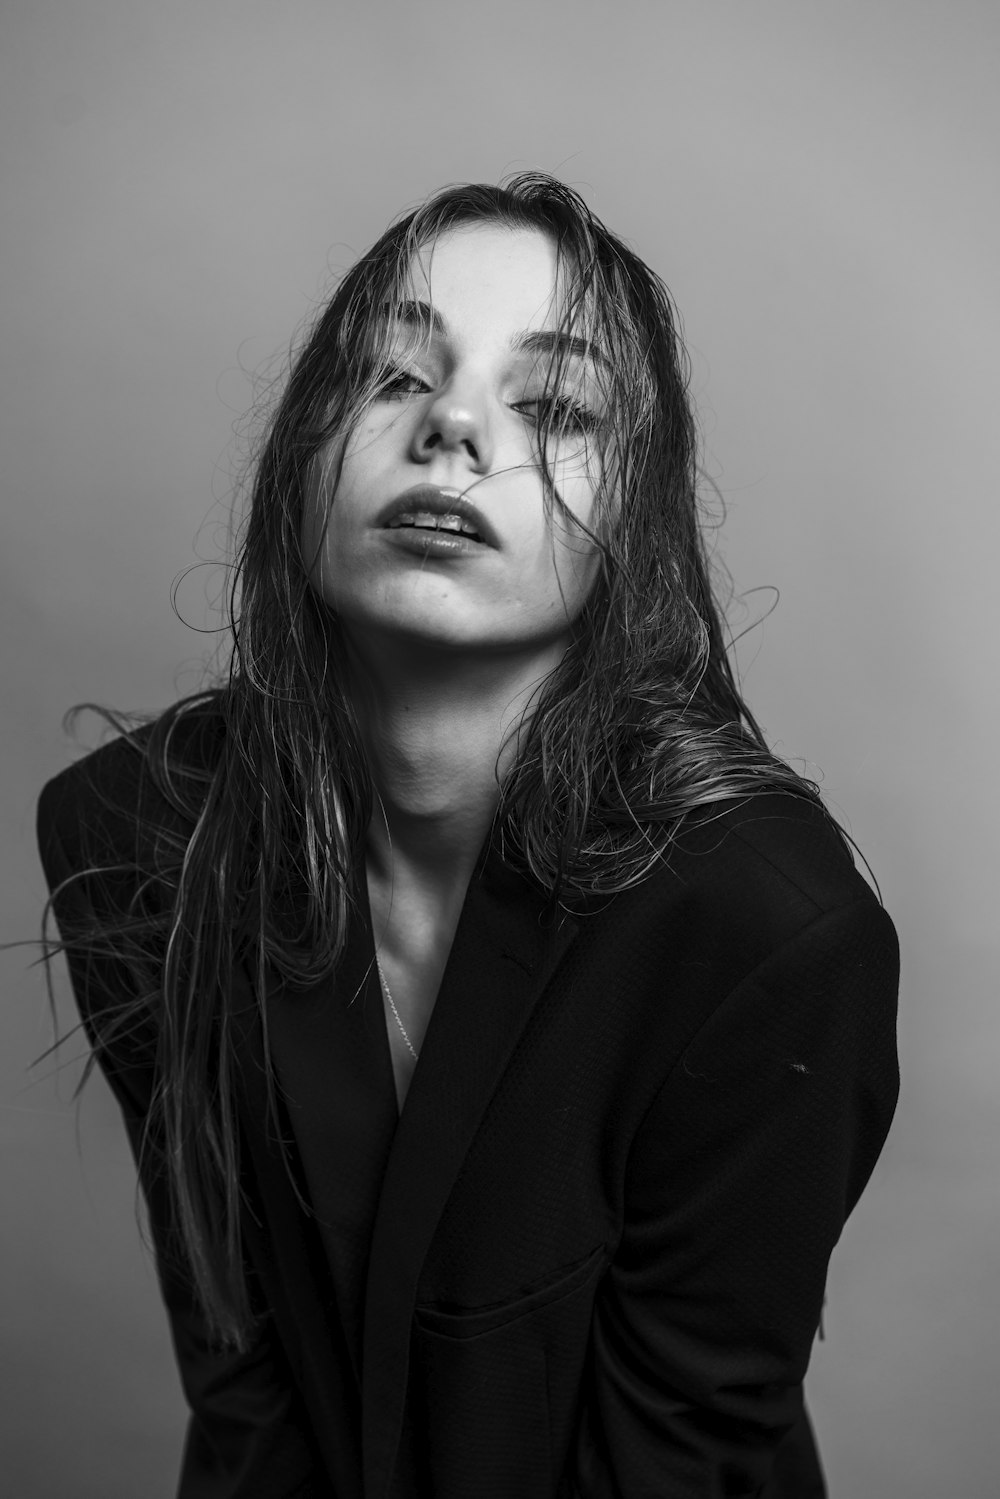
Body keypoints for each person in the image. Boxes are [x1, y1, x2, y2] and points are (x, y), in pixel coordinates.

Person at [37, 172, 900, 1498]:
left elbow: (677, 1454)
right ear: (301, 456)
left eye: (552, 407)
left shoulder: (763, 930)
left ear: (636, 525)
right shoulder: (143, 836)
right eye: (392, 376)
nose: (451, 426)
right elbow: (242, 1379)